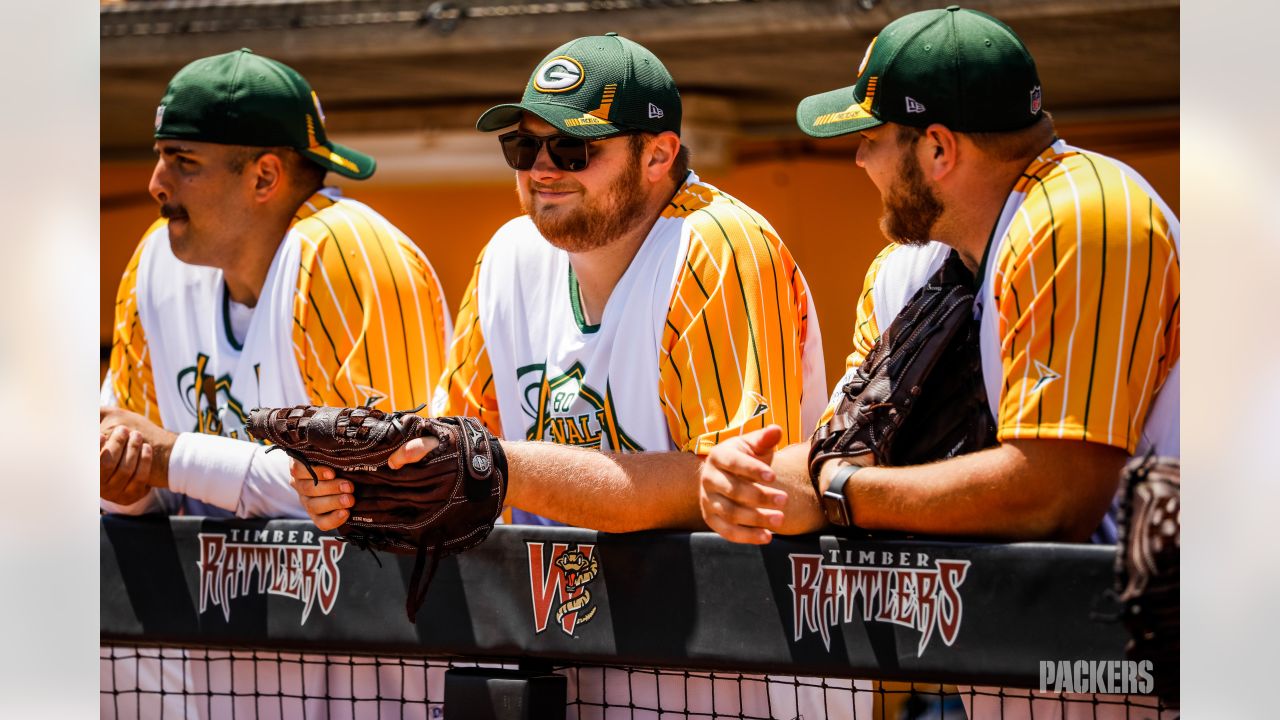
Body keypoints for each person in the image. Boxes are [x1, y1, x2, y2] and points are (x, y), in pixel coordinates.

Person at [290, 33, 848, 718]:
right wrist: (365, 490)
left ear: (659, 154)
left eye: (573, 149)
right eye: (523, 148)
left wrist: (489, 465)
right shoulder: (507, 257)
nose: (542, 169)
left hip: (723, 671)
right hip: (562, 659)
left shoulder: (718, 245)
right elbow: (463, 457)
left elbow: (734, 488)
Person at [697, 7, 1179, 718]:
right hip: (1005, 669)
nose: (858, 160)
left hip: (1152, 668)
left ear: (938, 148)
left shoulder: (1085, 211)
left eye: (869, 139)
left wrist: (838, 494)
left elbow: (1058, 497)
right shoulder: (908, 270)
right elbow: (837, 454)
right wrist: (744, 481)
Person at [100, 49, 451, 519]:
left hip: (361, 593)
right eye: (160, 156)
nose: (156, 184)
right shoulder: (156, 260)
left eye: (183, 160)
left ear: (263, 176)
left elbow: (397, 491)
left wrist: (174, 458)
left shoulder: (347, 252)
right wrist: (127, 484)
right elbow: (152, 481)